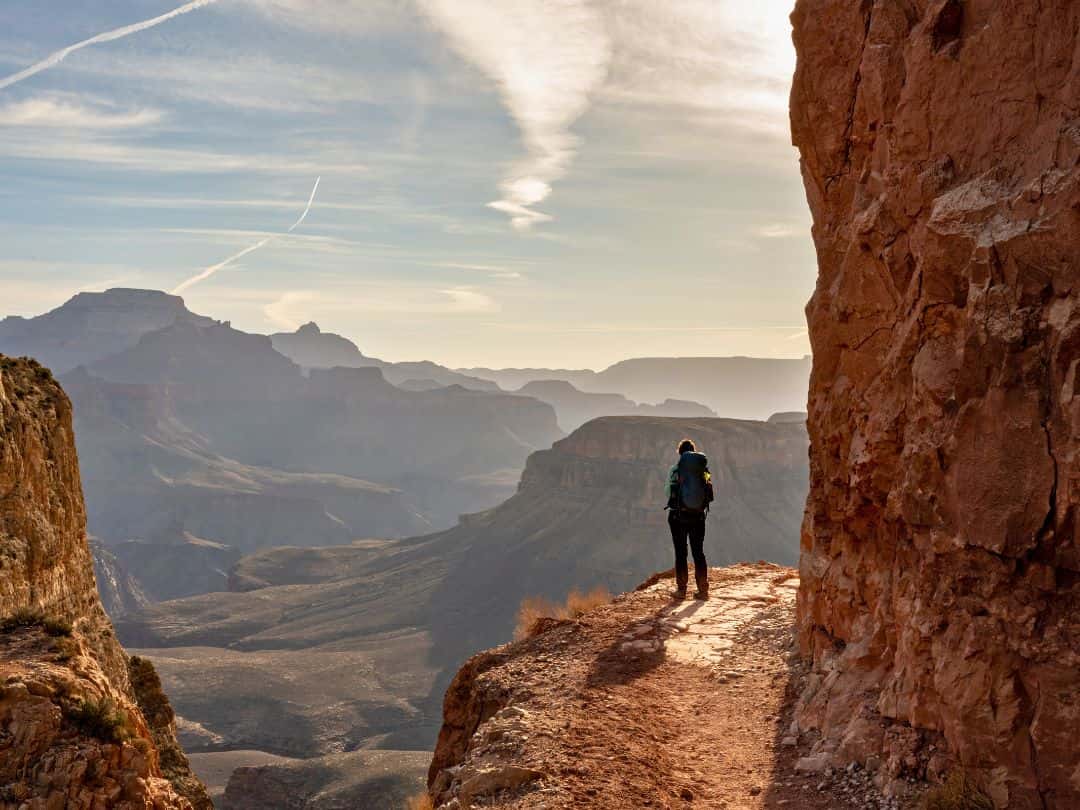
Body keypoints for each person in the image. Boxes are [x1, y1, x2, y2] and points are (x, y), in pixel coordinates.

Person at [665, 438, 714, 599]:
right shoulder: (704, 470)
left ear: (680, 453)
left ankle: (681, 590)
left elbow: (668, 492)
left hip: (678, 516)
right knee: (698, 552)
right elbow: (709, 492)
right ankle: (703, 589)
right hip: (698, 516)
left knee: (681, 552)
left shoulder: (675, 469)